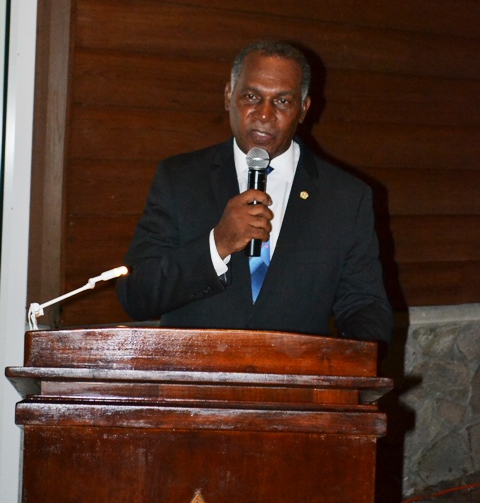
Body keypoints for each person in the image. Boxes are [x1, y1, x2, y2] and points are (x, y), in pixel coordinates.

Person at [117, 40, 392, 343]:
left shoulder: (345, 197)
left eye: (282, 101)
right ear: (228, 96)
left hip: (295, 385)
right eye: (251, 96)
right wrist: (217, 244)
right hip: (196, 384)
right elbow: (136, 295)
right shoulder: (179, 179)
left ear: (303, 110)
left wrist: (359, 370)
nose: (264, 114)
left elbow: (364, 306)